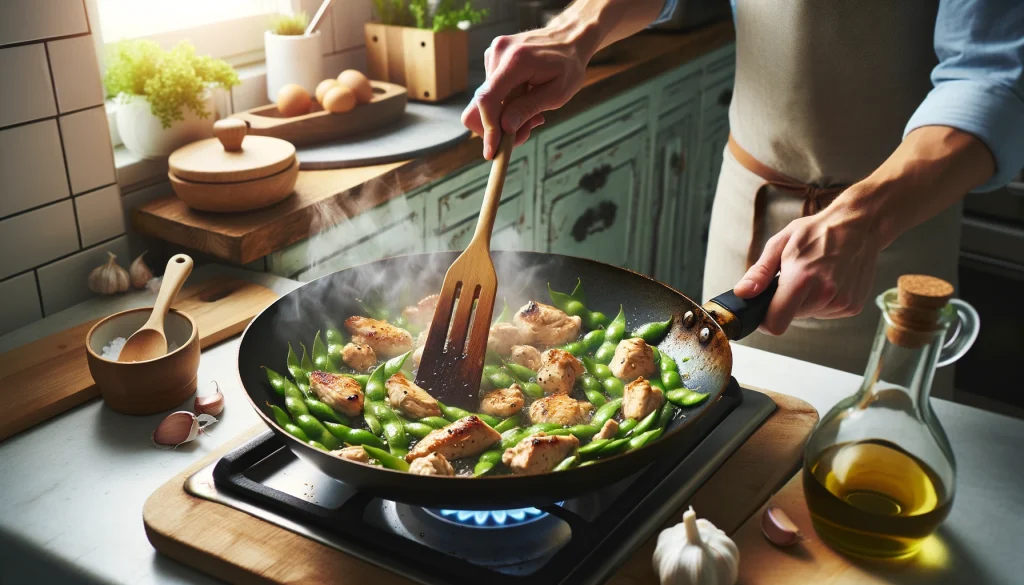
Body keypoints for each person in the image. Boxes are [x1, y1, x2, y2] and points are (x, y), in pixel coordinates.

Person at [461, 0, 1024, 374]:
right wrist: (572, 31)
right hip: (746, 203)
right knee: (722, 437)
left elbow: (994, 78)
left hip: (894, 223)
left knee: (875, 462)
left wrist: (864, 218)